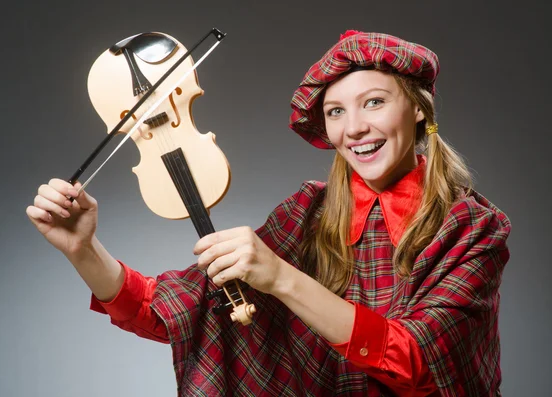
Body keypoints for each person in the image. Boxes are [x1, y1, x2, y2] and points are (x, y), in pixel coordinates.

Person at [26, 30, 512, 396]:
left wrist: (280, 277)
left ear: (419, 109)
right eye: (336, 111)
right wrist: (83, 249)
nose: (356, 128)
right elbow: (177, 314)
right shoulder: (308, 213)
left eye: (375, 103)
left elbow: (413, 362)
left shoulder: (474, 228)